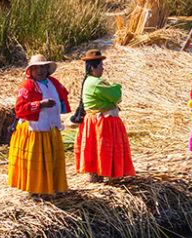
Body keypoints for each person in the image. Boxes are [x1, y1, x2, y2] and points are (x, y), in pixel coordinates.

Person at [9, 54, 70, 194]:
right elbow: (19, 109)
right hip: (34, 129)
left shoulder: (53, 83)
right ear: (30, 71)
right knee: (36, 161)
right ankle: (35, 189)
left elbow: (63, 97)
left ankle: (52, 186)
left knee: (51, 160)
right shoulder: (27, 85)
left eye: (43, 67)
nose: (40, 71)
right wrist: (40, 105)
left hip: (51, 128)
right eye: (36, 68)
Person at [74, 49, 135, 182]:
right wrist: (116, 86)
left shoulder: (92, 81)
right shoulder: (95, 83)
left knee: (98, 151)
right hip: (101, 123)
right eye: (101, 66)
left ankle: (99, 176)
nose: (102, 68)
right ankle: (107, 176)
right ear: (94, 67)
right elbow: (116, 95)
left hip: (99, 120)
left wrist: (111, 88)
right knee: (103, 150)